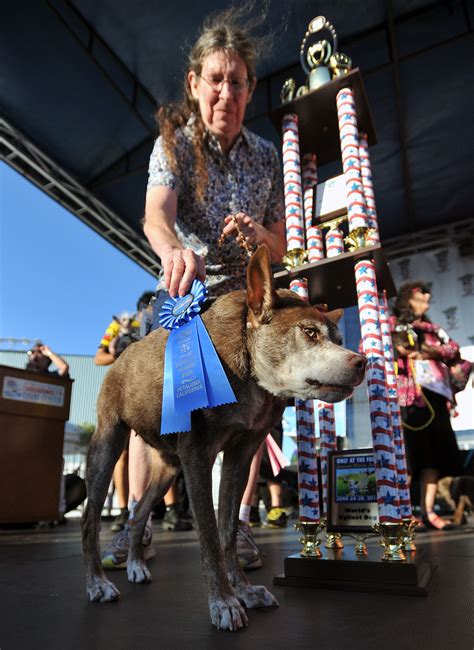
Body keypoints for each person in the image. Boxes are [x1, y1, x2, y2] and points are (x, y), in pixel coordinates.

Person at [142, 8, 286, 568]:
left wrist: (260, 237)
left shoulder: (270, 158)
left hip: (247, 305)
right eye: (216, 79)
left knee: (252, 416)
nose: (226, 92)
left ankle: (236, 526)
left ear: (250, 90)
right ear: (194, 83)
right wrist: (173, 250)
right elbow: (156, 215)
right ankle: (139, 520)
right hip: (188, 293)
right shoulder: (173, 145)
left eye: (238, 82)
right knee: (170, 422)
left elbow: (281, 245)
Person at [98, 292, 193, 569]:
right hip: (125, 385)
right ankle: (133, 520)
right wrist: (120, 345)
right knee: (140, 433)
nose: (140, 313)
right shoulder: (116, 328)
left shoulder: (160, 315)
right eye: (144, 308)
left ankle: (233, 524)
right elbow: (99, 357)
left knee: (171, 445)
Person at [391, 281, 463, 530]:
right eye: (419, 299)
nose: (424, 305)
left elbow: (453, 350)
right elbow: (369, 349)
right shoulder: (389, 325)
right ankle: (403, 513)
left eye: (427, 301)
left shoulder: (433, 329)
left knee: (433, 457)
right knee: (408, 457)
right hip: (406, 398)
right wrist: (399, 350)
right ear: (405, 300)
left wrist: (426, 351)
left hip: (434, 397)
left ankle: (429, 511)